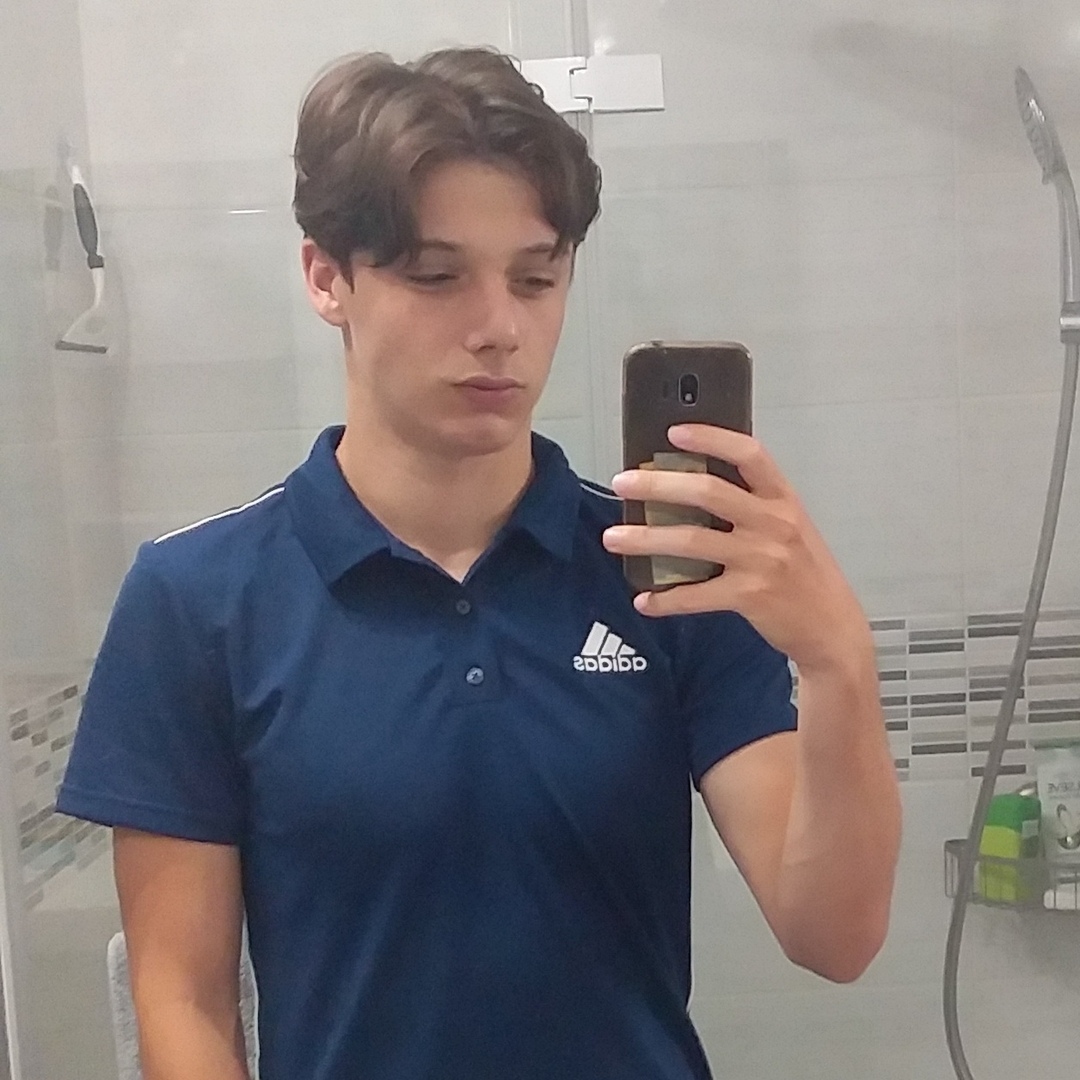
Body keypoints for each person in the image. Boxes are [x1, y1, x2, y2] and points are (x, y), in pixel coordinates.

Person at [57, 46, 901, 1080]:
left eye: (536, 279)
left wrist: (838, 659)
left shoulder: (668, 571)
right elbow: (182, 999)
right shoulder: (197, 602)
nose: (500, 328)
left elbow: (834, 936)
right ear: (326, 276)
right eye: (436, 276)